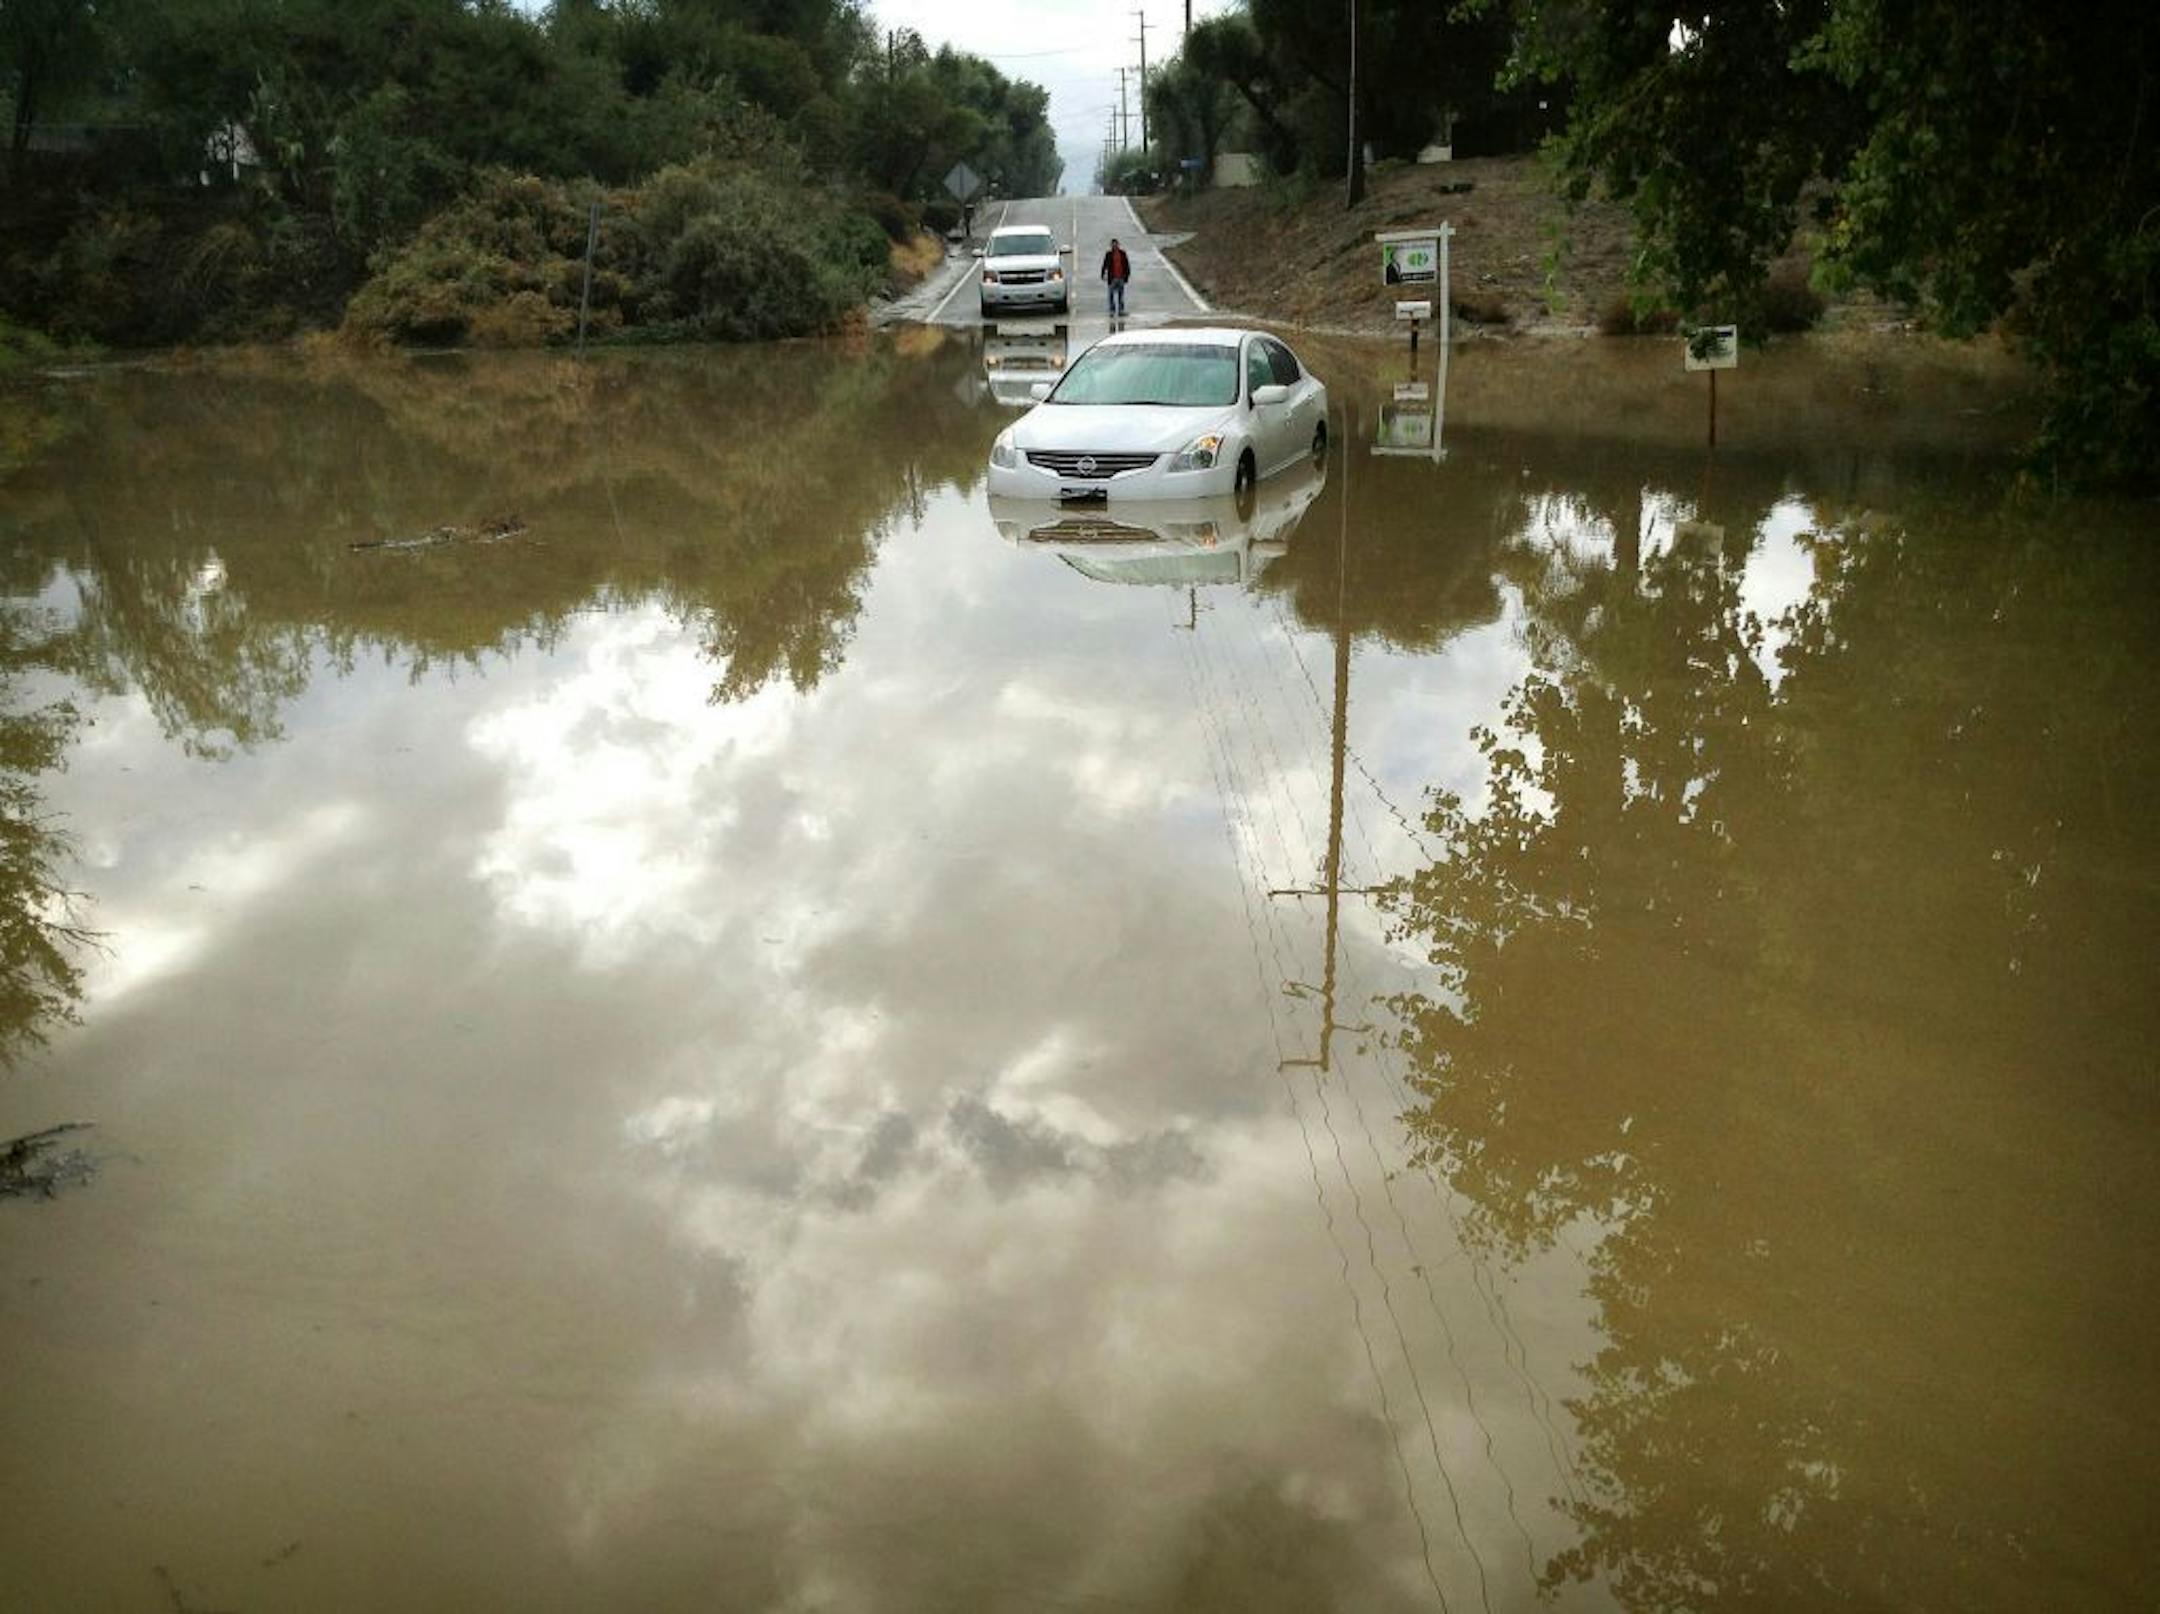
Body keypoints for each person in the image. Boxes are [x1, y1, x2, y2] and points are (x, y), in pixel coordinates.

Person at [1100, 237, 1132, 317]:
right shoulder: (1108, 254)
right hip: (1112, 278)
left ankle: (1121, 310)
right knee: (1111, 295)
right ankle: (1112, 310)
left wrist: (1127, 276)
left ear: (1118, 245)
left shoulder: (1122, 254)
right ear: (1111, 246)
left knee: (1121, 295)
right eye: (1113, 245)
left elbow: (1126, 265)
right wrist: (1103, 274)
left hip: (1121, 277)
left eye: (1116, 244)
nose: (1114, 246)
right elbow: (1105, 265)